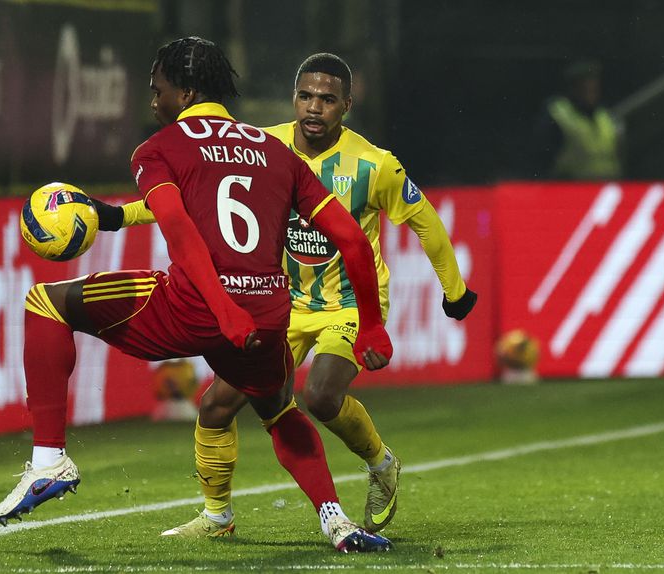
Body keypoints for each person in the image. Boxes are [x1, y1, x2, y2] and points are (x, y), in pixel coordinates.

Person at [0, 37, 394, 553]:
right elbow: (353, 240)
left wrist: (222, 308)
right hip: (267, 314)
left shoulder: (159, 149)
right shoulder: (277, 152)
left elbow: (178, 229)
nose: (153, 101)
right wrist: (372, 325)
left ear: (185, 93)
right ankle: (336, 523)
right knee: (276, 406)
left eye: (157, 89)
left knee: (46, 302)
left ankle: (48, 461)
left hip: (196, 307)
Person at [105, 53, 477, 537]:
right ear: (293, 98)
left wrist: (455, 291)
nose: (314, 108)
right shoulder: (263, 146)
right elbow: (188, 199)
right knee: (216, 407)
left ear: (347, 105)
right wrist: (120, 216)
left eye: (327, 99)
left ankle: (381, 463)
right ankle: (217, 517)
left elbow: (425, 223)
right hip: (282, 303)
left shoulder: (375, 165)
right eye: (305, 96)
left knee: (320, 395)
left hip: (348, 304)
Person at [532, 59, 623, 180]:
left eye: (594, 88)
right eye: (584, 87)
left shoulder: (606, 115)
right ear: (573, 88)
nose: (590, 91)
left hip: (607, 184)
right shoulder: (558, 113)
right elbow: (542, 154)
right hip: (572, 186)